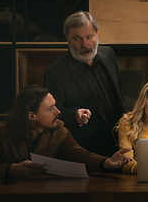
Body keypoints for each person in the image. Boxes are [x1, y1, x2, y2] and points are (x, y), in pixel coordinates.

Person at [0, 85, 132, 179]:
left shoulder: (58, 129)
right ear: (32, 116)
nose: (58, 112)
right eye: (50, 108)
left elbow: (79, 155)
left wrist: (105, 162)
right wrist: (11, 169)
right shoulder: (2, 132)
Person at [44, 11, 125, 157]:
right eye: (78, 39)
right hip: (86, 152)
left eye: (89, 37)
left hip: (119, 144)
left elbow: (118, 94)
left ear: (96, 33)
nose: (85, 44)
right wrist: (74, 115)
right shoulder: (55, 72)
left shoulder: (108, 54)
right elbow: (51, 115)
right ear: (67, 38)